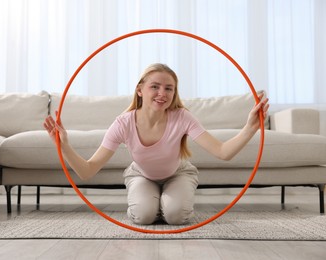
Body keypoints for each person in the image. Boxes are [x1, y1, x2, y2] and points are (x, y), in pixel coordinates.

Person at [43, 63, 269, 225]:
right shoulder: (123, 123)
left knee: (176, 216)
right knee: (143, 217)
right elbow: (87, 170)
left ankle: (168, 202)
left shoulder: (182, 117)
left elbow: (223, 152)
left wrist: (250, 127)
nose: (162, 93)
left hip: (178, 173)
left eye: (169, 88)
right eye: (155, 86)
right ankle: (154, 203)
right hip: (141, 175)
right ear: (140, 90)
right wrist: (64, 145)